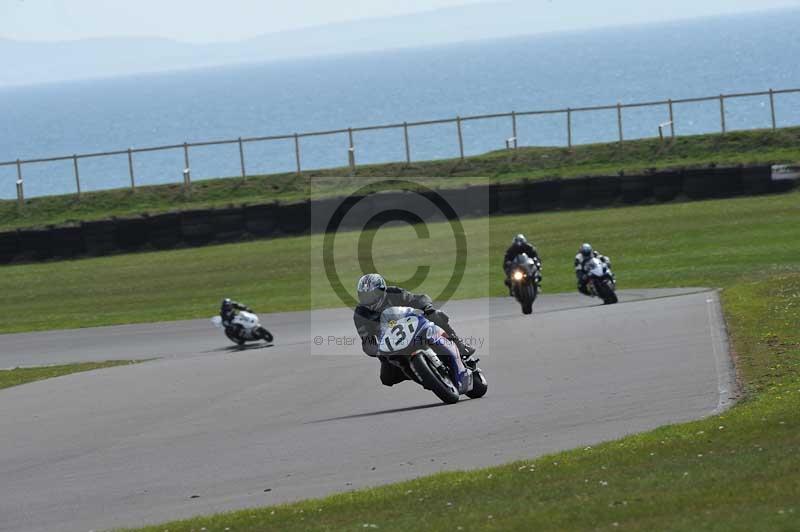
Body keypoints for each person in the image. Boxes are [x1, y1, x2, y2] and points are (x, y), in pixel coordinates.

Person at [353, 273, 477, 387]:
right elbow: (367, 340)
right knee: (387, 378)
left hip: (413, 327)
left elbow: (417, 299)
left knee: (435, 314)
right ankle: (422, 372)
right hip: (391, 346)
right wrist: (377, 351)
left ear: (382, 290)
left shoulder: (394, 293)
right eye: (364, 296)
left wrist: (427, 307)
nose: (368, 299)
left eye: (372, 295)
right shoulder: (360, 314)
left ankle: (459, 345)